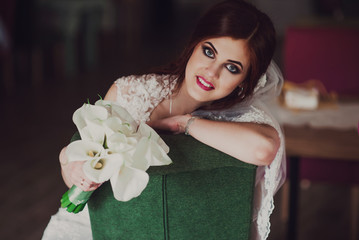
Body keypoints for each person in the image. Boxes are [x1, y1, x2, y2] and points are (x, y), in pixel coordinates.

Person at [42, 0, 286, 239]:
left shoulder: (240, 116)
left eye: (232, 68)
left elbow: (264, 149)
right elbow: (80, 167)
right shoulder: (128, 93)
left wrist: (184, 123)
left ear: (245, 80)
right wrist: (71, 168)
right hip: (99, 226)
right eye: (209, 52)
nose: (212, 72)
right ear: (194, 44)